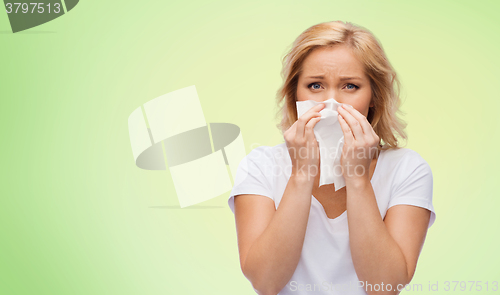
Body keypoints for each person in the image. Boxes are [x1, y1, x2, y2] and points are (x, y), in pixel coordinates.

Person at [227, 21, 436, 295]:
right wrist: (301, 175)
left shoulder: (407, 169)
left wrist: (358, 179)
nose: (330, 104)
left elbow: (384, 287)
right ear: (294, 95)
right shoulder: (260, 166)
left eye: (350, 86)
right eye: (315, 85)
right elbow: (266, 282)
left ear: (373, 96)